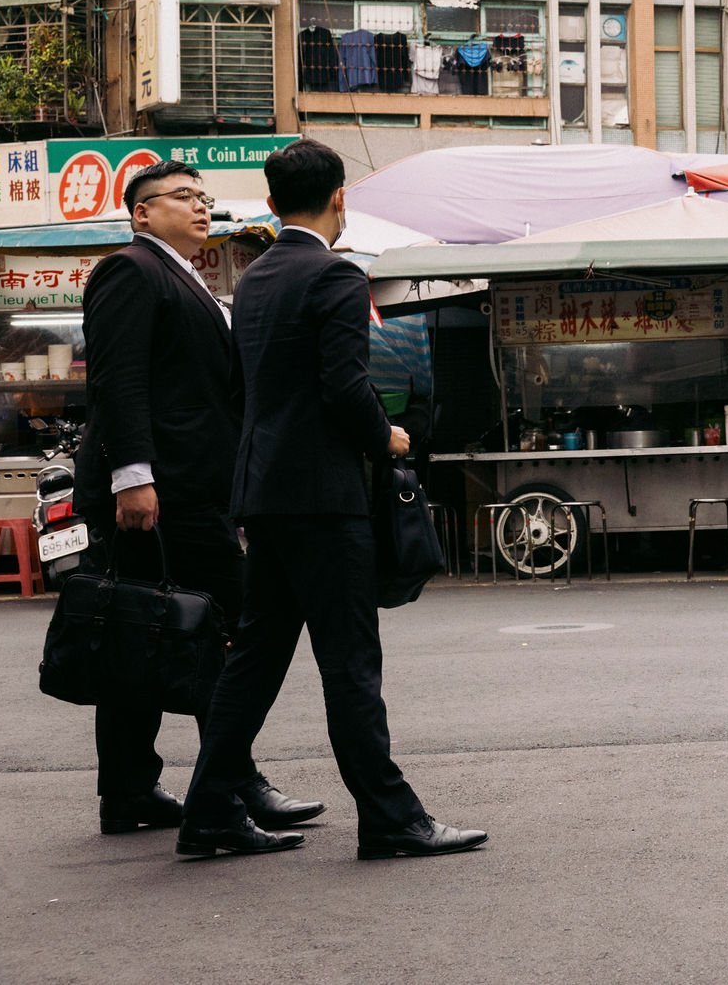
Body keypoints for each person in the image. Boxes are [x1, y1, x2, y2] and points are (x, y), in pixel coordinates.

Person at [176, 140, 486, 861]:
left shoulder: (254, 280)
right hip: (323, 498)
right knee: (349, 662)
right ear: (340, 198)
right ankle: (389, 818)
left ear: (274, 201)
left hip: (266, 494)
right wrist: (389, 439)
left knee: (255, 658)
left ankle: (210, 809)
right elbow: (343, 388)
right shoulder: (337, 277)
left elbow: (250, 389)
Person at [74, 160, 321, 837]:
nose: (200, 207)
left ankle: (128, 790)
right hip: (163, 492)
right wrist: (133, 475)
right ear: (141, 214)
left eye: (204, 198)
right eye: (183, 197)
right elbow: (118, 381)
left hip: (189, 487)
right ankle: (234, 785)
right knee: (231, 630)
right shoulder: (130, 269)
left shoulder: (188, 277)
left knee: (139, 635)